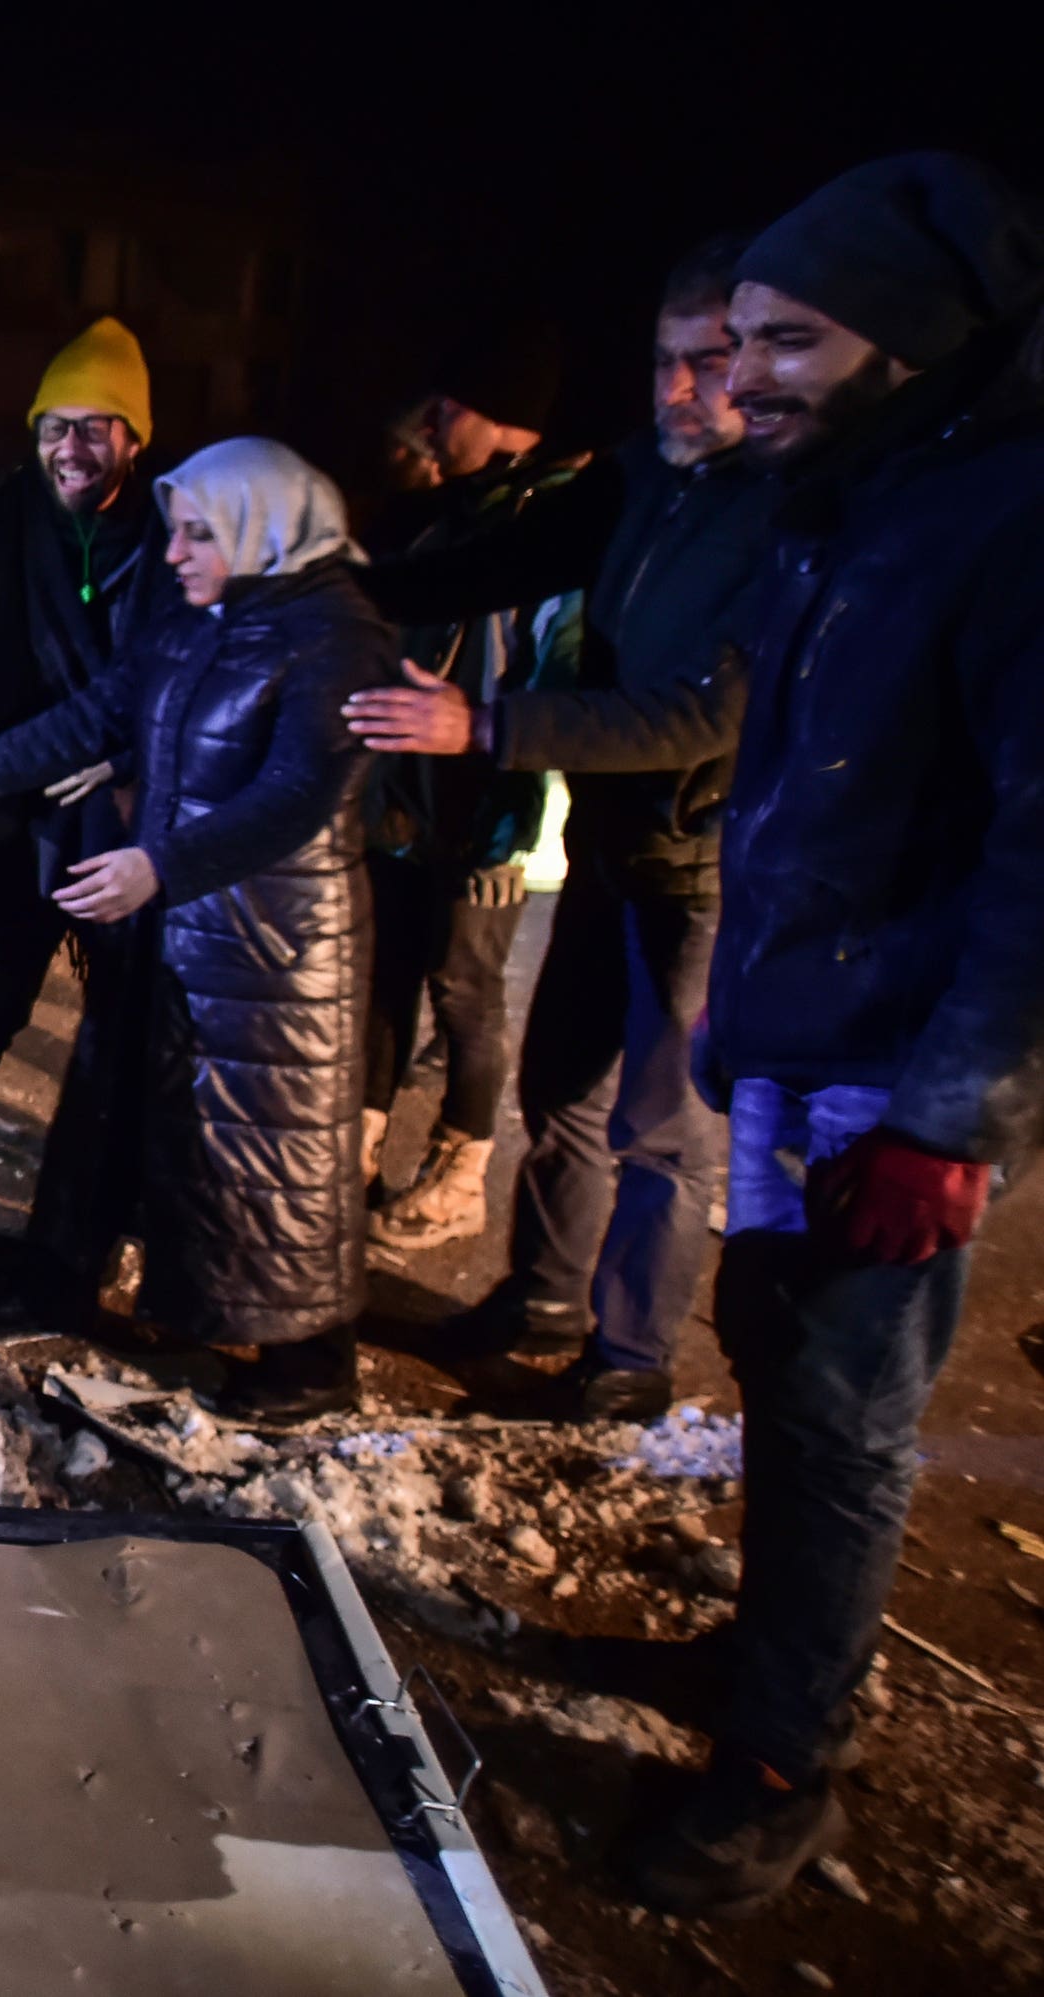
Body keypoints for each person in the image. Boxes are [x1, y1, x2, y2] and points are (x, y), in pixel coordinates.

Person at [615, 153, 1044, 1918]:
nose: (746, 378)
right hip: (796, 1043)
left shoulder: (1009, 524)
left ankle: (785, 1766)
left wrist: (952, 1112)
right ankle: (762, 1661)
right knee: (778, 1363)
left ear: (915, 338)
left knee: (853, 1409)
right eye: (735, 344)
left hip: (899, 1071)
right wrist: (741, 1007)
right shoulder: (844, 504)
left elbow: (1036, 854)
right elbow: (796, 794)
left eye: (791, 341)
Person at [345, 236, 775, 1420]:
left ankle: (629, 1358)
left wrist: (482, 725)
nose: (680, 388)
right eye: (663, 360)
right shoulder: (646, 479)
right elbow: (509, 556)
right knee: (562, 1089)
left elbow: (696, 714)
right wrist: (348, 589)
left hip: (703, 862)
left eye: (710, 364)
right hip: (611, 844)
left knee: (661, 1129)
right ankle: (541, 1298)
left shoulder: (782, 509)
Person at [0, 439, 394, 1418]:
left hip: (273, 947)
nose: (173, 552)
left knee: (272, 1146)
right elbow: (96, 716)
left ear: (265, 529)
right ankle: (58, 1275)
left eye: (199, 533)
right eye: (178, 529)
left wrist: (159, 865)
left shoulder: (336, 635)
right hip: (169, 919)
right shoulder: (196, 616)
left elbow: (300, 793)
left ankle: (313, 1358)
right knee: (107, 1104)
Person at [0, 316, 183, 1315]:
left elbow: (163, 683)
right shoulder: (3, 524)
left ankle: (102, 1224)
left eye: (98, 426)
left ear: (135, 439)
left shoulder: (168, 536)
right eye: (56, 425)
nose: (73, 445)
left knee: (121, 1023)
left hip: (128, 822)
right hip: (27, 809)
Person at [356, 328, 579, 1251]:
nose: (435, 425)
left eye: (450, 408)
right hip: (407, 800)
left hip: (483, 808)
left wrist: (507, 805)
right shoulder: (464, 513)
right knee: (385, 979)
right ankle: (355, 1153)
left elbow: (550, 676)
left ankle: (461, 1171)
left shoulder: (554, 525)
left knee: (465, 991)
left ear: (501, 415)